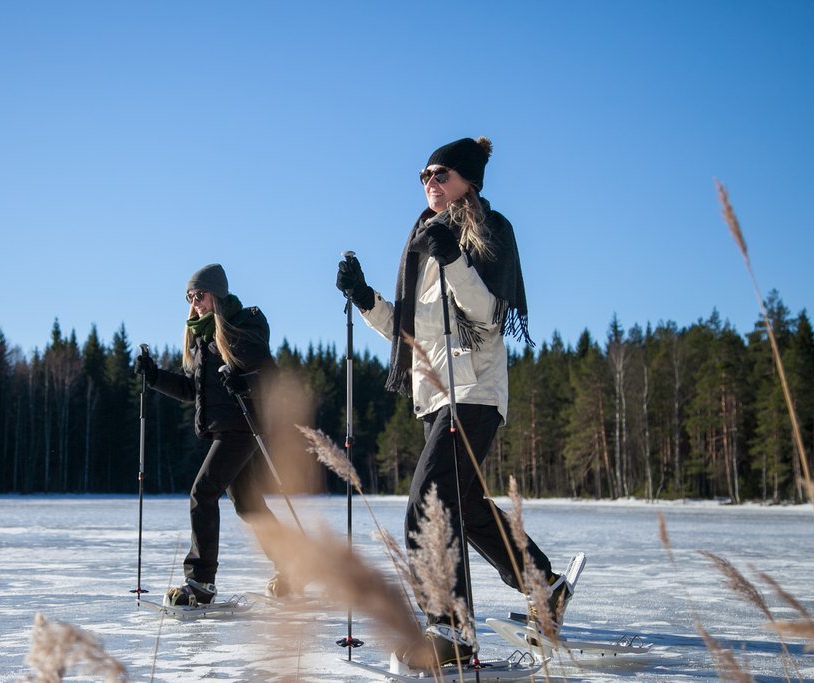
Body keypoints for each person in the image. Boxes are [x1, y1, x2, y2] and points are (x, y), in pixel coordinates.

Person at [336, 136, 574, 664]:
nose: (430, 184)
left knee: (430, 505)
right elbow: (410, 332)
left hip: (474, 393)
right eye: (424, 176)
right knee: (464, 507)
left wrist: (454, 258)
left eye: (440, 174)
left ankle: (452, 631)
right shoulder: (422, 243)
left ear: (469, 181)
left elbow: (489, 315)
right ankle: (545, 589)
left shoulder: (491, 232)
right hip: (433, 396)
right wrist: (364, 297)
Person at [135, 263, 287, 606]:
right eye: (189, 297)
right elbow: (192, 389)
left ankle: (201, 581)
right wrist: (154, 376)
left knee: (202, 493)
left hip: (242, 428)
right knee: (248, 503)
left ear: (216, 293)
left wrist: (244, 382)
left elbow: (270, 376)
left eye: (199, 295)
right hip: (226, 429)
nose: (195, 302)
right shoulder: (204, 338)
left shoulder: (240, 328)